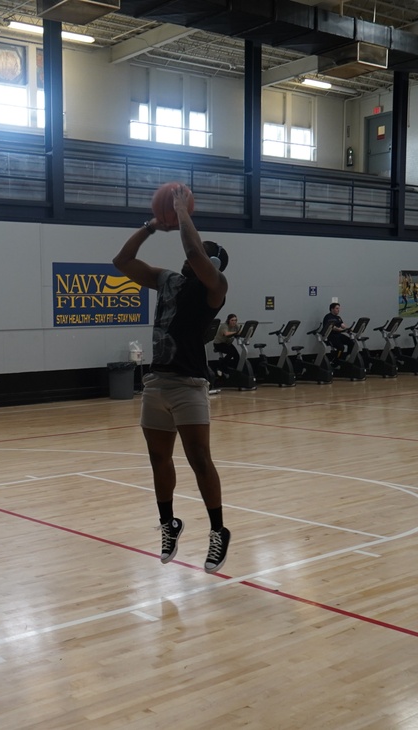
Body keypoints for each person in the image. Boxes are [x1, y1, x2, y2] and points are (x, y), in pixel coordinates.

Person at [112, 185, 231, 574]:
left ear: (213, 263)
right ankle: (169, 524)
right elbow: (122, 260)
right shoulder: (166, 281)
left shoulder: (215, 290)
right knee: (158, 460)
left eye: (202, 254)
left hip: (189, 385)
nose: (191, 257)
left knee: (199, 459)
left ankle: (218, 531)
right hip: (157, 384)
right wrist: (150, 225)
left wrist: (181, 213)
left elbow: (195, 252)